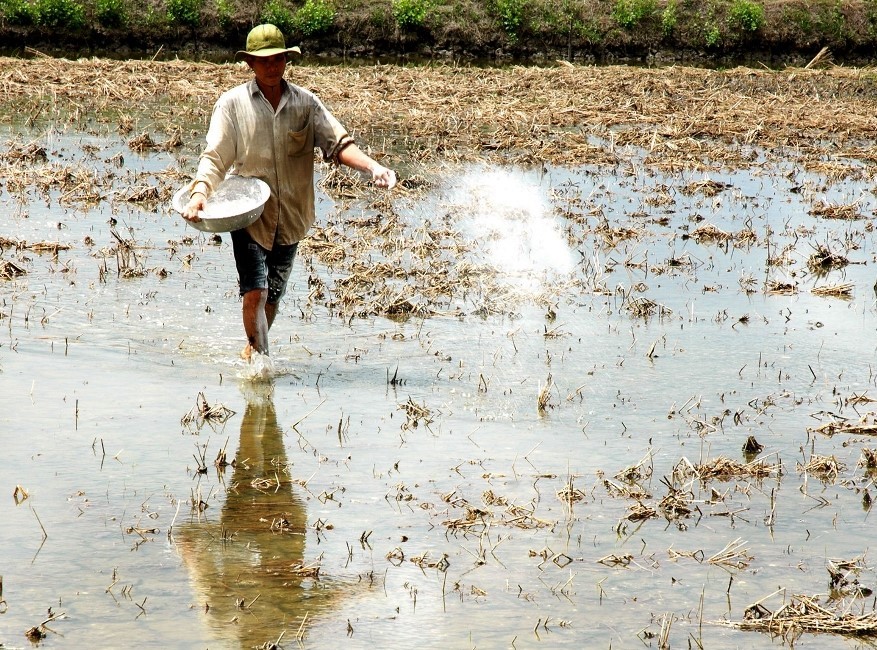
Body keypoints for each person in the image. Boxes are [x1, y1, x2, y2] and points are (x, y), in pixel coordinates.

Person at [183, 24, 397, 361]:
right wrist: (199, 194)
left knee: (273, 297)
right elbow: (215, 157)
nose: (271, 67)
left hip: (293, 216)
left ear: (286, 60)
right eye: (263, 61)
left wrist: (373, 167)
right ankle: (259, 360)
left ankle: (253, 350)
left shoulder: (305, 104)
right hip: (251, 213)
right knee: (256, 289)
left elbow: (338, 144)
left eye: (278, 59)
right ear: (250, 64)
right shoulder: (233, 105)